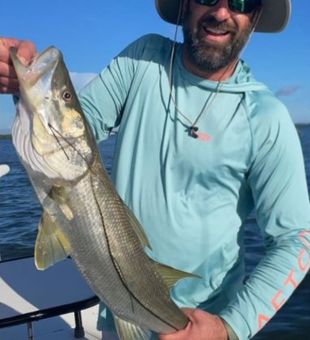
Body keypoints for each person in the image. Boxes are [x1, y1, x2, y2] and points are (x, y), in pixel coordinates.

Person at [1, 0, 310, 339]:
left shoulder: (267, 118)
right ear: (185, 4)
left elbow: (296, 239)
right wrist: (25, 90)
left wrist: (229, 327)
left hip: (208, 321)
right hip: (120, 316)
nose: (222, 13)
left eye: (241, 2)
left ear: (256, 15)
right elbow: (79, 128)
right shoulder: (143, 59)